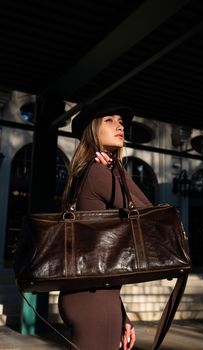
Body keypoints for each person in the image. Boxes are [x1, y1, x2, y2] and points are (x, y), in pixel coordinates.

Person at [59, 100, 152, 350]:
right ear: (92, 129)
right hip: (94, 300)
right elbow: (149, 218)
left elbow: (100, 256)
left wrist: (122, 314)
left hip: (96, 295)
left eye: (120, 122)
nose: (119, 126)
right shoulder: (98, 173)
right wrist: (118, 172)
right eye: (109, 120)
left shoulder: (87, 172)